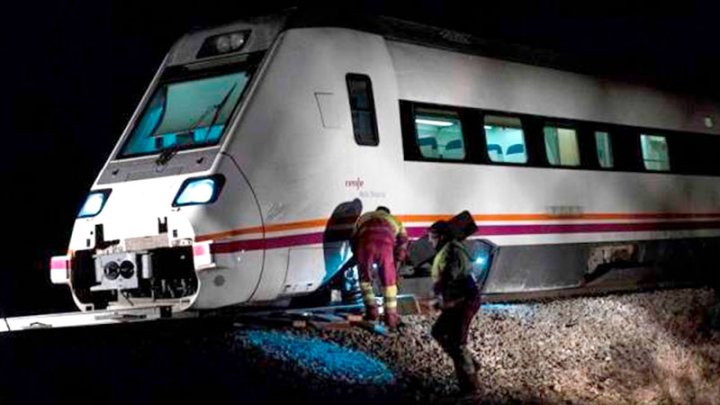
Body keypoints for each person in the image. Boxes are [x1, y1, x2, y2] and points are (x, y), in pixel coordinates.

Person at [428, 220, 482, 394]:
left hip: (464, 301)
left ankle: (471, 387)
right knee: (438, 331)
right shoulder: (448, 249)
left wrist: (443, 299)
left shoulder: (453, 252)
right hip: (456, 300)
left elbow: (450, 277)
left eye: (432, 236)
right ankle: (469, 363)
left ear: (442, 236)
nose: (430, 240)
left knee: (458, 343)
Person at [351, 206, 408, 329]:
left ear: (376, 211)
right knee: (389, 283)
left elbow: (353, 238)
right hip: (385, 247)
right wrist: (398, 260)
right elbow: (403, 241)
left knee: (365, 281)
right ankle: (391, 319)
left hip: (365, 245)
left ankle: (372, 313)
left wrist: (358, 257)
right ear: (387, 213)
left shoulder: (364, 217)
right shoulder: (394, 219)